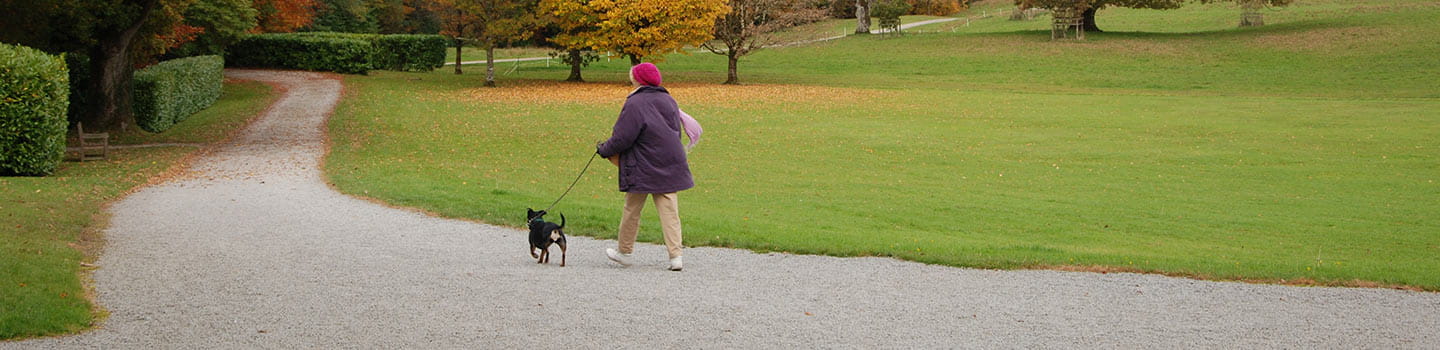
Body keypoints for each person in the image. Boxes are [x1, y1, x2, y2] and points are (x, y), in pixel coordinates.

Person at [596, 62, 699, 271]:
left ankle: (625, 252)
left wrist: (604, 149)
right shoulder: (668, 99)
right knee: (670, 211)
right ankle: (676, 256)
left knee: (632, 209)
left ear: (638, 79)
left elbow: (623, 137)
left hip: (642, 164)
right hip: (670, 161)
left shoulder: (635, 102)